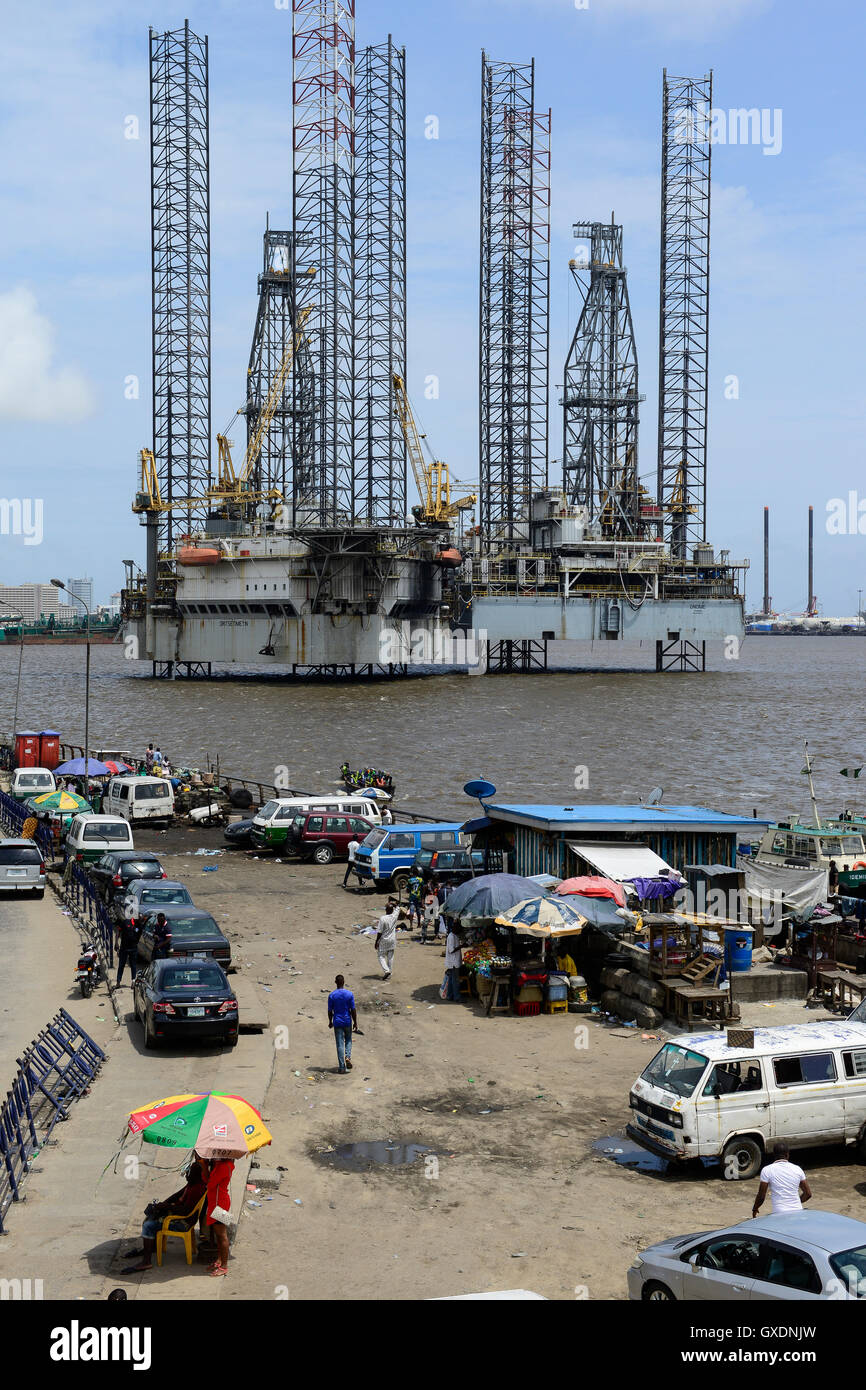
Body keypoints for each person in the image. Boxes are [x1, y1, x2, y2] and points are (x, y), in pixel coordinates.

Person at [121, 1154, 208, 1273]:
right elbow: (176, 1195)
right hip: (177, 1213)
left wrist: (166, 1207)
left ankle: (146, 1262)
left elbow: (185, 1211)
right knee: (150, 1216)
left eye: (188, 1173)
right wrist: (162, 1204)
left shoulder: (197, 1188)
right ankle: (151, 1247)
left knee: (149, 1226)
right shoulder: (191, 1184)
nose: (186, 1175)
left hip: (183, 1222)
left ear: (195, 1175)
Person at [752, 1143, 812, 1217]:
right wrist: (796, 1203)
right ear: (787, 1155)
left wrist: (755, 1208)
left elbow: (761, 1196)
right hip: (797, 1211)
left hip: (779, 1213)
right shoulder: (797, 1169)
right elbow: (808, 1194)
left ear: (774, 1155)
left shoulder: (767, 1170)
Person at [204, 1154, 235, 1277]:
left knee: (222, 1235)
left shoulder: (223, 1167)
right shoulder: (224, 1164)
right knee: (219, 1234)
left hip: (219, 1204)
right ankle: (219, 1260)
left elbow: (209, 1183)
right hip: (218, 1202)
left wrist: (203, 1166)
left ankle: (224, 1266)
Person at [328, 973, 358, 1074]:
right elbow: (353, 1009)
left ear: (335, 982)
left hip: (337, 1021)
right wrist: (355, 1022)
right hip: (347, 1021)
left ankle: (341, 1067)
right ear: (344, 982)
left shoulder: (332, 995)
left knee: (340, 1044)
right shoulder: (349, 994)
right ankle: (348, 1056)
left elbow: (329, 1011)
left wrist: (330, 1022)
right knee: (348, 1040)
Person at [375, 898, 400, 979]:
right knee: (390, 957)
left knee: (380, 956)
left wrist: (376, 941)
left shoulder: (383, 918)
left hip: (384, 940)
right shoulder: (394, 916)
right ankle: (389, 972)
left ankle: (386, 971)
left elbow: (379, 932)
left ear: (386, 910)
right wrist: (393, 904)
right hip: (392, 939)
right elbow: (398, 908)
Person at [115, 916, 141, 987]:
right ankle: (118, 981)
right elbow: (118, 930)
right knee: (121, 965)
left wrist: (135, 942)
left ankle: (133, 981)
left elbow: (139, 935)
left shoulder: (139, 925)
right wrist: (116, 942)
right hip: (124, 948)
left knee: (133, 965)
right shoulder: (126, 922)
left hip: (133, 948)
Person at [444, 925, 463, 1001]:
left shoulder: (454, 936)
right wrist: (461, 946)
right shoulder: (451, 937)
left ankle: (450, 995)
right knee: (455, 981)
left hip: (453, 961)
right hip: (453, 962)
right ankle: (457, 997)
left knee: (452, 979)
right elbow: (451, 950)